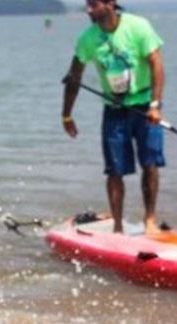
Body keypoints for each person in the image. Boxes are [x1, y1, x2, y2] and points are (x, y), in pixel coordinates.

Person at [61, 0, 165, 235]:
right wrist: (66, 115)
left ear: (110, 4)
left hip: (145, 106)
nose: (88, 9)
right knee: (114, 170)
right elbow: (74, 77)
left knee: (150, 163)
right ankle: (117, 227)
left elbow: (157, 64)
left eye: (93, 4)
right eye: (87, 4)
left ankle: (150, 220)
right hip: (114, 109)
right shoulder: (88, 39)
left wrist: (156, 105)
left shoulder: (139, 27)